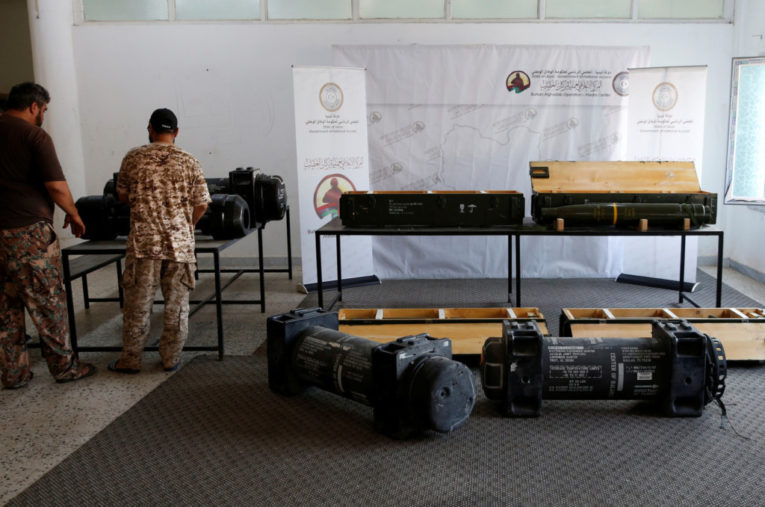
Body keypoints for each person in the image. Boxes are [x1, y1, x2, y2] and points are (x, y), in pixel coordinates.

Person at [0, 82, 97, 389]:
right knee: (48, 302)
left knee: (5, 308)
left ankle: (14, 373)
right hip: (27, 232)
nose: (44, 114)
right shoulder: (34, 135)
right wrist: (73, 212)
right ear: (34, 106)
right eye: (44, 109)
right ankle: (64, 368)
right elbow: (56, 185)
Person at [109, 108, 210, 374]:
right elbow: (202, 204)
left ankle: (130, 360)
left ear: (150, 129)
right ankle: (170, 359)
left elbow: (122, 195)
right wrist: (187, 225)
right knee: (177, 307)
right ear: (176, 132)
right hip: (180, 246)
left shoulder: (133, 158)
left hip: (144, 245)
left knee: (138, 306)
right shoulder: (190, 161)